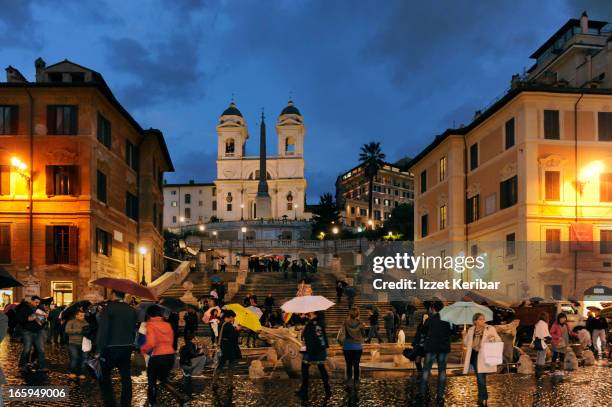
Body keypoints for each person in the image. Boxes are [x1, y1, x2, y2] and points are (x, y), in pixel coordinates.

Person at [97, 290, 139, 407]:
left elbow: (103, 330)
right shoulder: (132, 310)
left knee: (104, 375)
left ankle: (110, 403)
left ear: (113, 295)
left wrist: (99, 349)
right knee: (126, 376)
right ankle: (125, 403)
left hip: (110, 347)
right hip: (127, 347)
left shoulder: (108, 308)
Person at [463, 312, 502, 407]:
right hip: (475, 355)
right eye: (480, 319)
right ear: (475, 321)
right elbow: (466, 343)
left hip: (485, 355)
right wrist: (464, 335)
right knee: (480, 377)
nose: (482, 321)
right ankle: (482, 397)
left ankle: (482, 397)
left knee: (482, 376)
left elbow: (498, 340)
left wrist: (492, 338)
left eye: (483, 319)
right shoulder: (471, 330)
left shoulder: (490, 328)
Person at [140, 305, 175, 406]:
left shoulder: (150, 325)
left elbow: (151, 343)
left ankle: (153, 403)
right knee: (163, 379)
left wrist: (143, 349)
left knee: (152, 381)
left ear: (149, 314)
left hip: (157, 356)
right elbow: (172, 340)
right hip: (170, 356)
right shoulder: (167, 325)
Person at [419, 302, 452, 405]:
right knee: (442, 372)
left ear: (433, 309)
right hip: (443, 348)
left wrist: (425, 323)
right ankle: (440, 396)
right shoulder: (448, 318)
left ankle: (422, 395)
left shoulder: (430, 319)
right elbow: (452, 332)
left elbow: (423, 331)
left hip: (431, 348)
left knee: (426, 371)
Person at [296, 311, 331, 400]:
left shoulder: (316, 323)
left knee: (314, 368)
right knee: (316, 368)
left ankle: (326, 389)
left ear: (314, 312)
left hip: (315, 350)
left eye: (310, 312)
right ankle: (305, 389)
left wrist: (322, 348)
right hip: (313, 349)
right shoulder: (313, 322)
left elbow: (320, 336)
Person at [16, 296, 48, 373]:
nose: (37, 304)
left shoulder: (40, 309)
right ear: (31, 301)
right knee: (27, 349)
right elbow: (20, 320)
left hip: (38, 331)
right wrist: (29, 318)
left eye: (38, 303)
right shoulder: (25, 308)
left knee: (41, 349)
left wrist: (44, 318)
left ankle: (42, 366)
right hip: (27, 331)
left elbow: (43, 322)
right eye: (36, 302)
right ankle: (22, 365)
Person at [215, 310, 241, 382]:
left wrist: (234, 329)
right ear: (230, 317)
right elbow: (232, 337)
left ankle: (215, 381)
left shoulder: (221, 324)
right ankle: (229, 382)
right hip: (229, 348)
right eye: (233, 317)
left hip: (223, 346)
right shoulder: (229, 325)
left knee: (221, 364)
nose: (234, 319)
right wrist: (237, 330)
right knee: (231, 365)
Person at [340, 307, 364, 387]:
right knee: (356, 364)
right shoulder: (360, 323)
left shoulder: (345, 322)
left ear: (350, 314)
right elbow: (363, 335)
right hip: (357, 346)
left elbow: (342, 333)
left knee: (348, 364)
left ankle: (349, 379)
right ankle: (356, 380)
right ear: (358, 314)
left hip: (347, 346)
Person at [180, 331, 208, 396]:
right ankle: (194, 372)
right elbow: (193, 355)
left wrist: (198, 348)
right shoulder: (190, 344)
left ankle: (188, 374)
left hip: (183, 364)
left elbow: (193, 353)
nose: (196, 340)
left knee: (201, 357)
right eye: (195, 339)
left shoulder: (187, 345)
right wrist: (202, 353)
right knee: (203, 357)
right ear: (192, 339)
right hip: (187, 364)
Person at [65, 309, 89, 380]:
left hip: (84, 344)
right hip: (73, 343)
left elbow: (88, 332)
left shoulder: (86, 323)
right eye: (81, 315)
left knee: (84, 358)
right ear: (76, 316)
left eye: (83, 315)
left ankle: (82, 373)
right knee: (74, 358)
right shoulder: (71, 322)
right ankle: (73, 372)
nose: (83, 317)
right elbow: (67, 330)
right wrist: (80, 331)